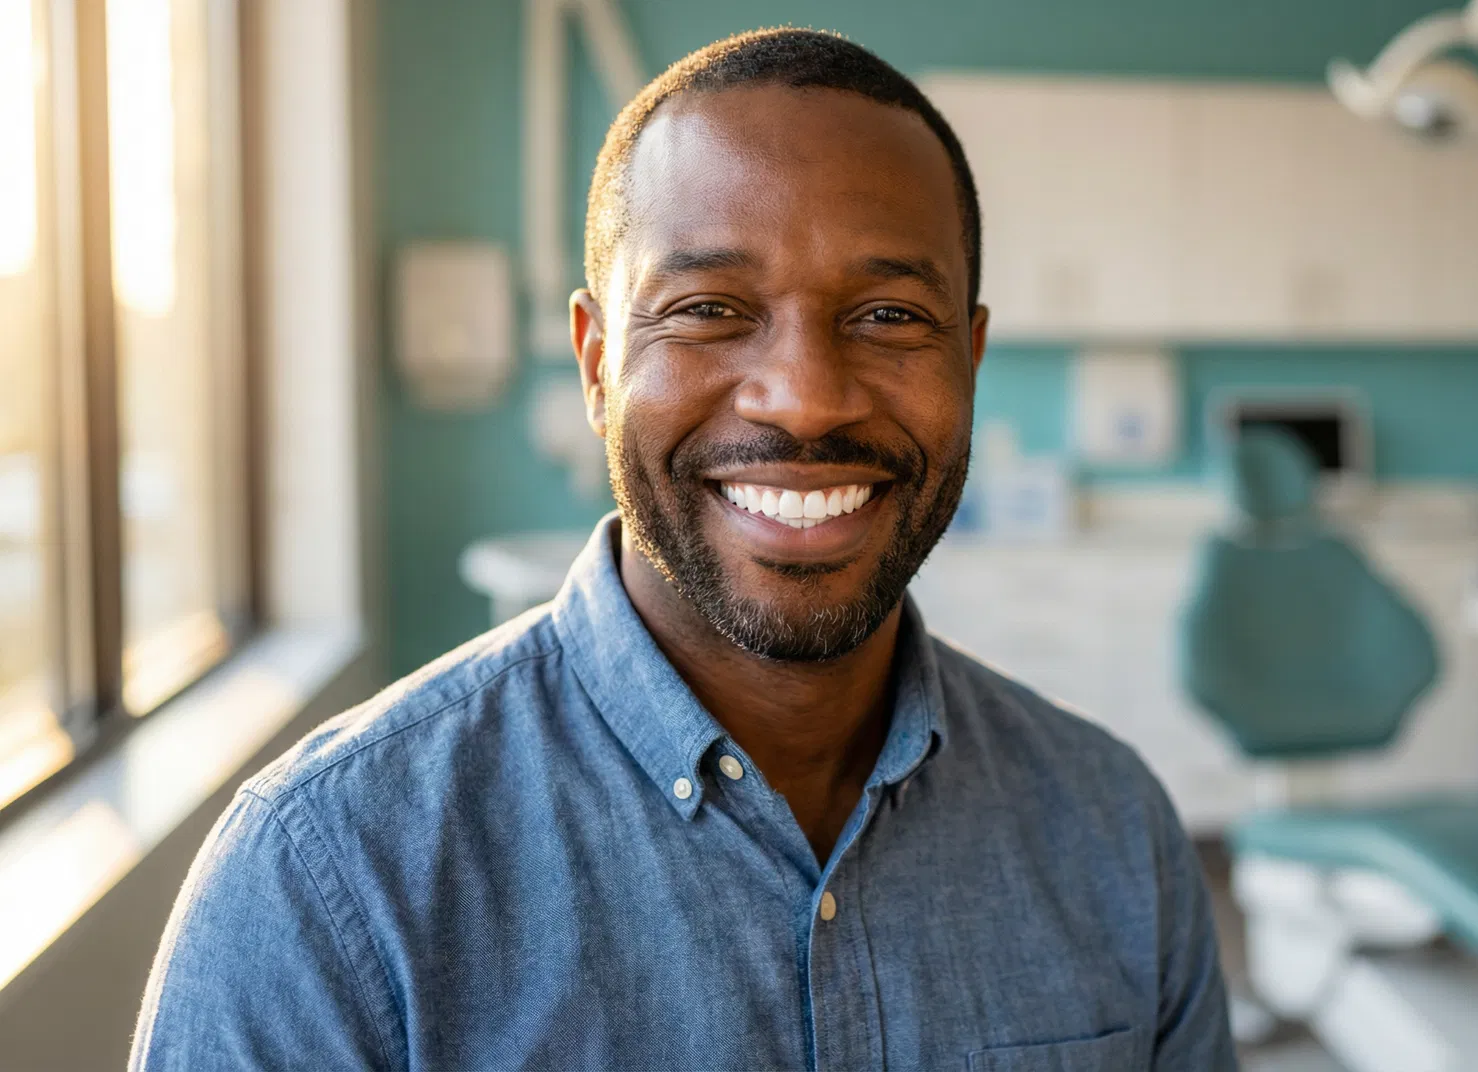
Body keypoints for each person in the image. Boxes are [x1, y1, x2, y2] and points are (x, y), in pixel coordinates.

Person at [132, 27, 1234, 1071]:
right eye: (708, 306)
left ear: (972, 356)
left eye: (891, 316)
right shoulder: (327, 877)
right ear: (598, 362)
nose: (805, 397)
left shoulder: (1111, 831)